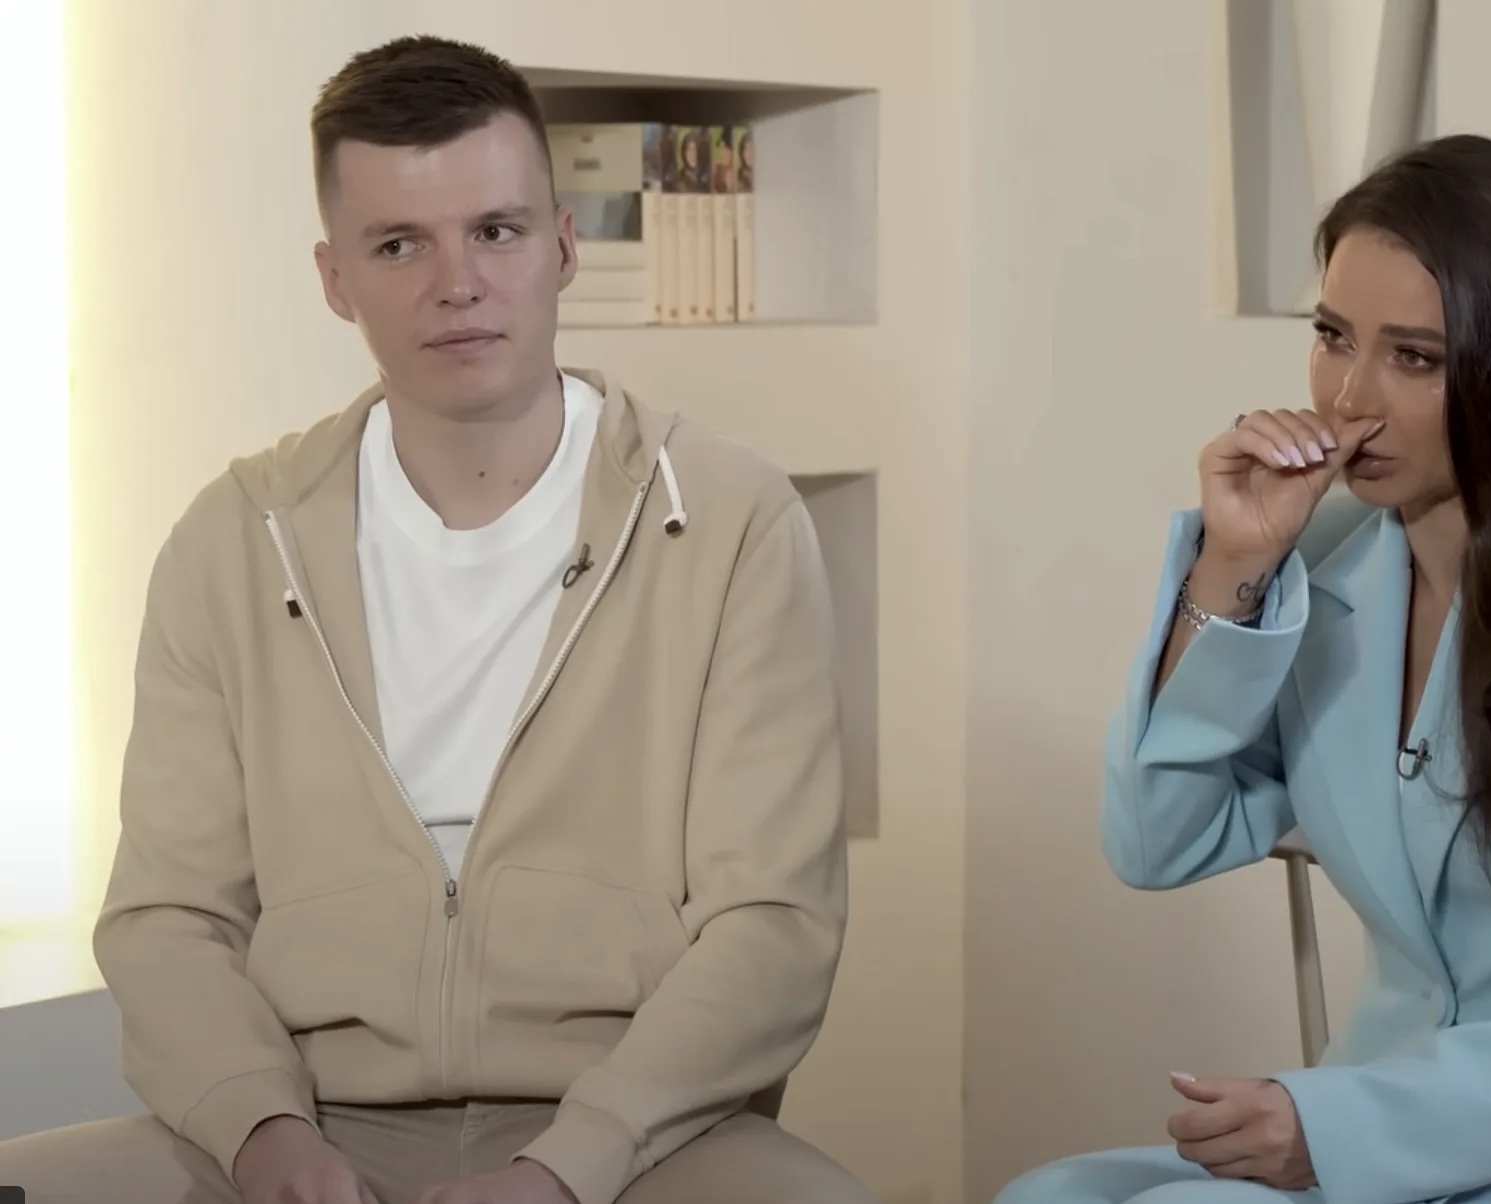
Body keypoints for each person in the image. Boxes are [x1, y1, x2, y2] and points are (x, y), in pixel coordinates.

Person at [0, 35, 874, 1204]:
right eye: (399, 244)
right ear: (335, 280)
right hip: (301, 1120)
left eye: (496, 231)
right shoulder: (233, 538)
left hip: (638, 1138)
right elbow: (169, 916)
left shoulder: (730, 521)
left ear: (562, 246)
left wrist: (567, 1165)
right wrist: (263, 1135)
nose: (455, 282)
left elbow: (772, 924)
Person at [993, 134, 1491, 1204]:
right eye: (1333, 337)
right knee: (1052, 1196)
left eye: (1415, 357)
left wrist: (1335, 1125)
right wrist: (1233, 569)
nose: (1347, 401)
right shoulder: (1318, 569)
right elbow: (1154, 840)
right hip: (1389, 1146)